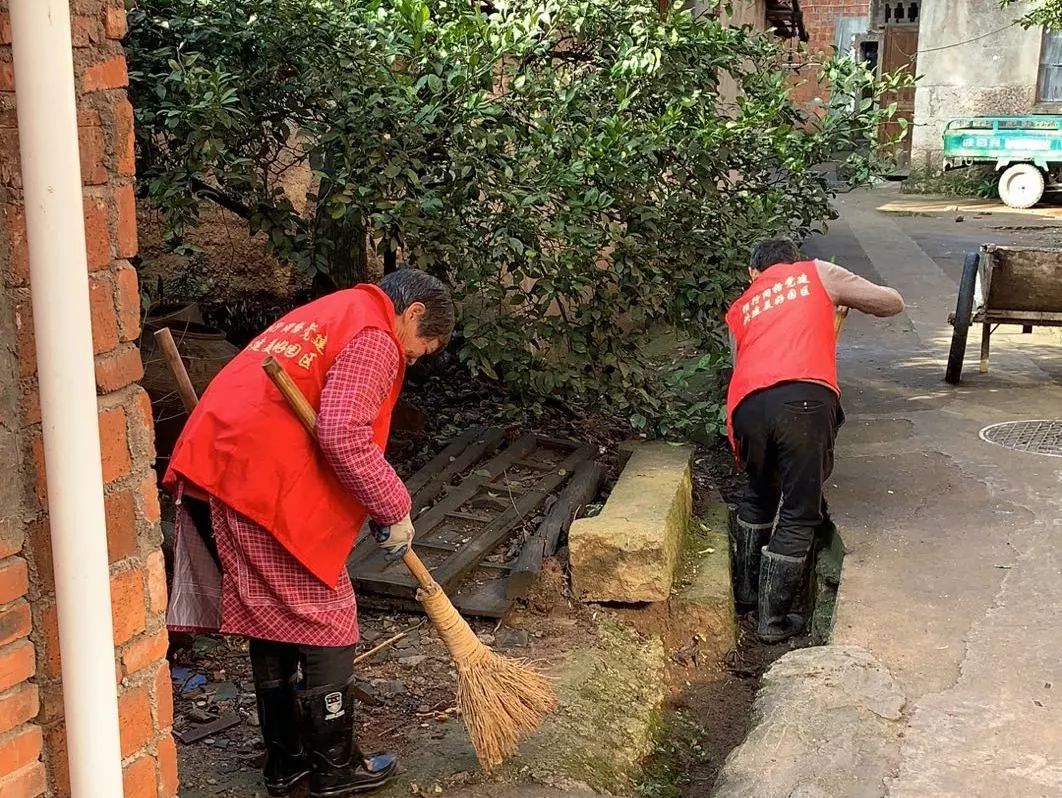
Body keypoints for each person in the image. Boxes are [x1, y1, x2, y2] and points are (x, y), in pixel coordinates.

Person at [163, 269, 455, 797]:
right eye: (423, 347)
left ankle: (287, 762)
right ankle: (334, 770)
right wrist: (394, 504)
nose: (414, 359)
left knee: (272, 613)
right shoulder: (375, 337)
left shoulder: (335, 310)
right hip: (257, 484)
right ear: (412, 314)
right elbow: (344, 433)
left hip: (223, 471)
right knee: (327, 613)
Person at [725, 238, 903, 644]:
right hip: (804, 399)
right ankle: (772, 622)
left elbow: (742, 366)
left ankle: (747, 595)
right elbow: (891, 302)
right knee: (799, 512)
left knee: (758, 493)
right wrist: (844, 296)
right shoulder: (818, 272)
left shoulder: (741, 307)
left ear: (752, 272)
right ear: (795, 261)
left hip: (747, 405)